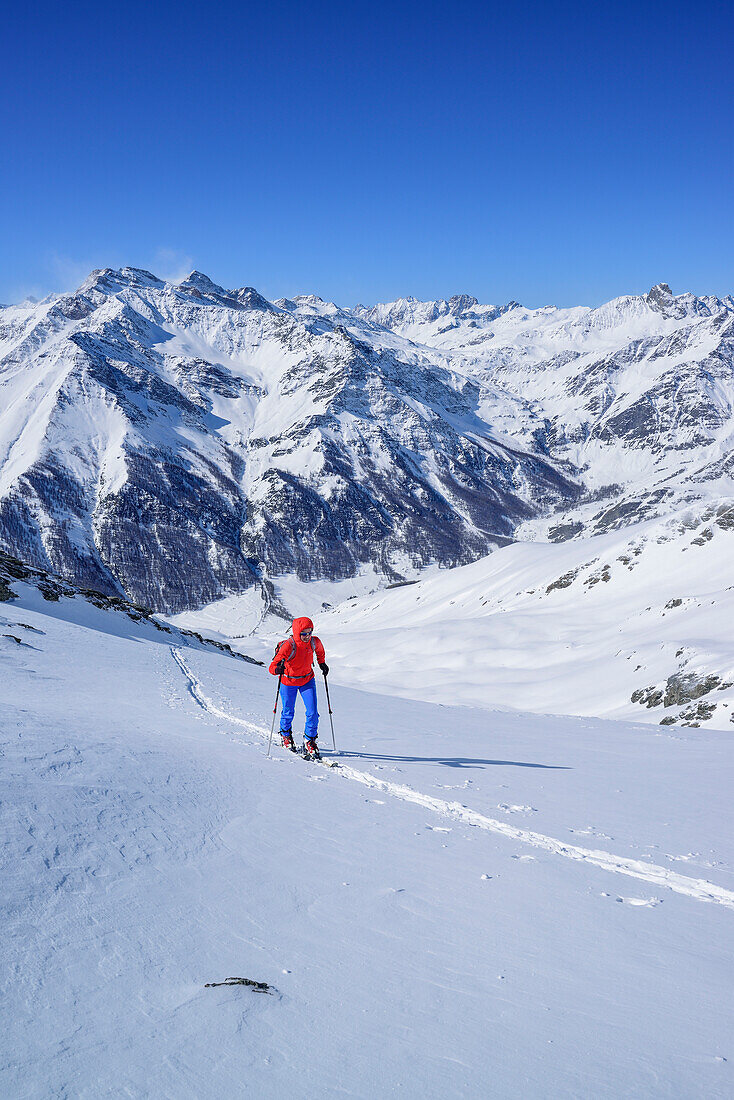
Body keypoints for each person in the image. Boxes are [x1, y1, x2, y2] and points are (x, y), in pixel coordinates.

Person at [269, 616, 329, 756]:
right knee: (288, 712)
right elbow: (272, 667)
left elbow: (320, 652)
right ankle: (285, 735)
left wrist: (322, 663)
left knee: (313, 713)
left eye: (310, 632)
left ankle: (309, 740)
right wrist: (278, 670)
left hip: (307, 680)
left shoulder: (315, 642)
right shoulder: (289, 646)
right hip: (288, 682)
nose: (307, 636)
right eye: (304, 633)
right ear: (297, 632)